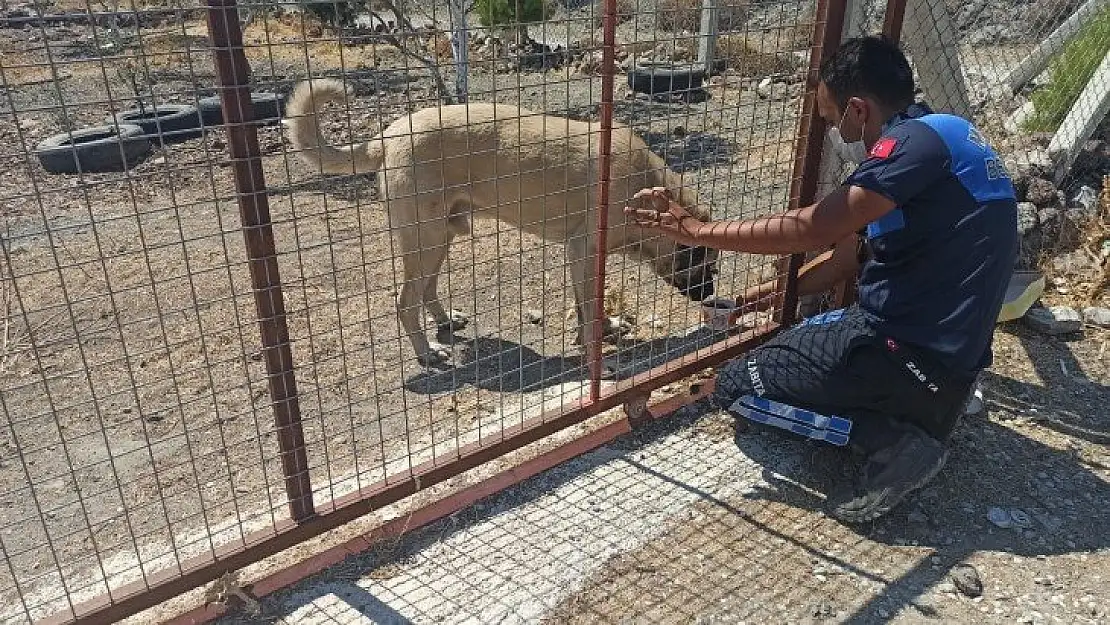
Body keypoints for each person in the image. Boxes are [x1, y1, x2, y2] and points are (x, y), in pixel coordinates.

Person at [624, 35, 1018, 523]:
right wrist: (751, 302)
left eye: (832, 119)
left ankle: (888, 442)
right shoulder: (948, 137)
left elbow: (814, 228)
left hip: (901, 353)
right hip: (949, 376)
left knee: (737, 388)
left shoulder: (905, 149)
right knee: (814, 337)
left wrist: (698, 230)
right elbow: (848, 259)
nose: (833, 129)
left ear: (858, 109)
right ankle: (906, 424)